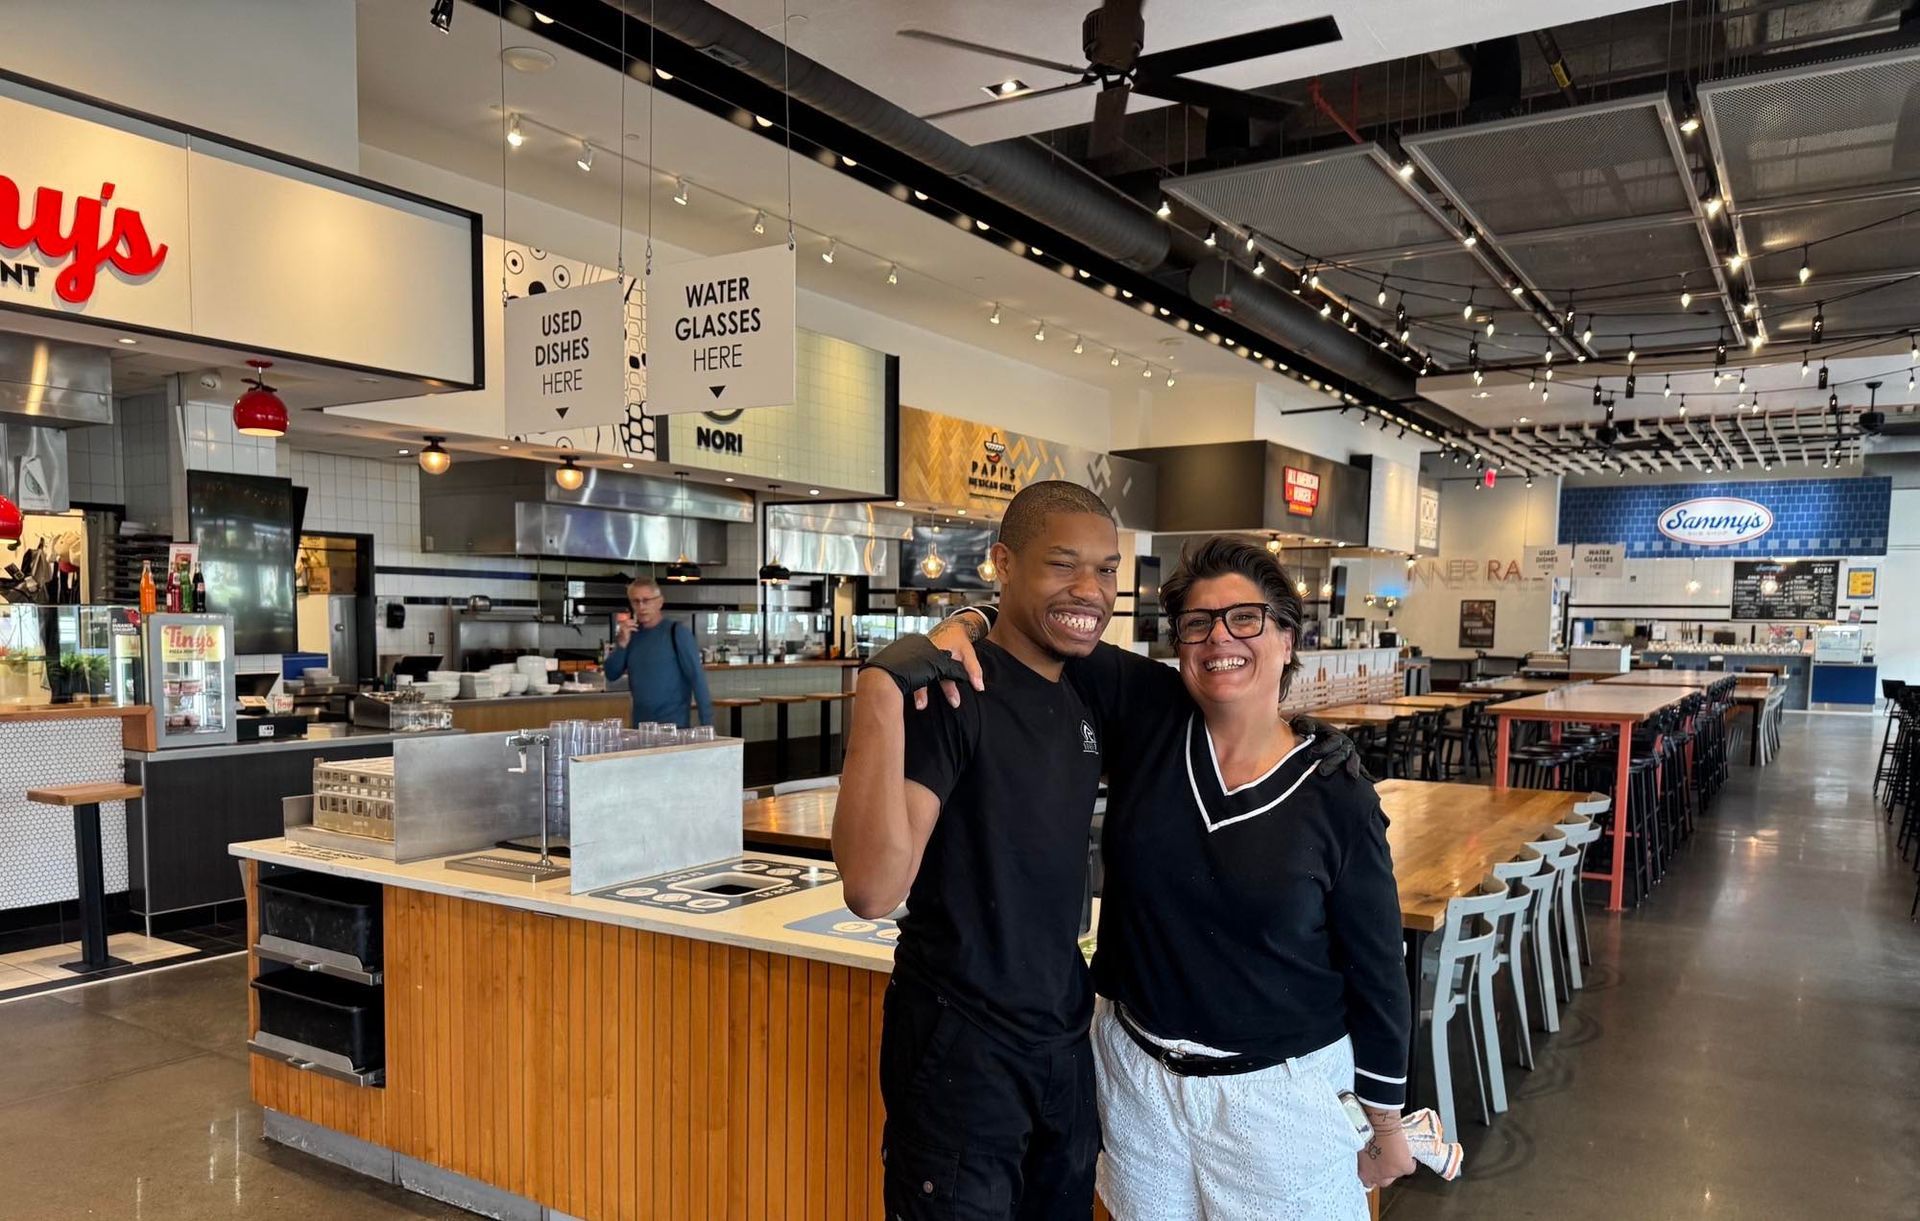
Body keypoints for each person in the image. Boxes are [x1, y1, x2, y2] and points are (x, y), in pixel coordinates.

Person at [913, 537, 1414, 1219]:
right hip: (1138, 1083)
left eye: (1245, 618)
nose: (1219, 639)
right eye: (1197, 623)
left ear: (1289, 638)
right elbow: (1046, 633)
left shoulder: (1338, 794)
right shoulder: (1150, 713)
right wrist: (967, 621)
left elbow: (1379, 966)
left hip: (1277, 1100)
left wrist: (1386, 1125)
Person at [833, 480, 1120, 1220]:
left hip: (1061, 1036)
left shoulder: (1086, 688)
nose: (1090, 589)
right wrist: (880, 690)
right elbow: (871, 887)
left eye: (1108, 569)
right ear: (1004, 561)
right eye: (1064, 564)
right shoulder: (956, 693)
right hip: (963, 1042)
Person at [602, 577, 712, 729]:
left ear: (659, 602)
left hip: (674, 728)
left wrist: (707, 726)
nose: (641, 607)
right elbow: (611, 674)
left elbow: (697, 679)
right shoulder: (631, 635)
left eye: (646, 600)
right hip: (640, 728)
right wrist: (621, 644)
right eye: (636, 601)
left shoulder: (677, 633)